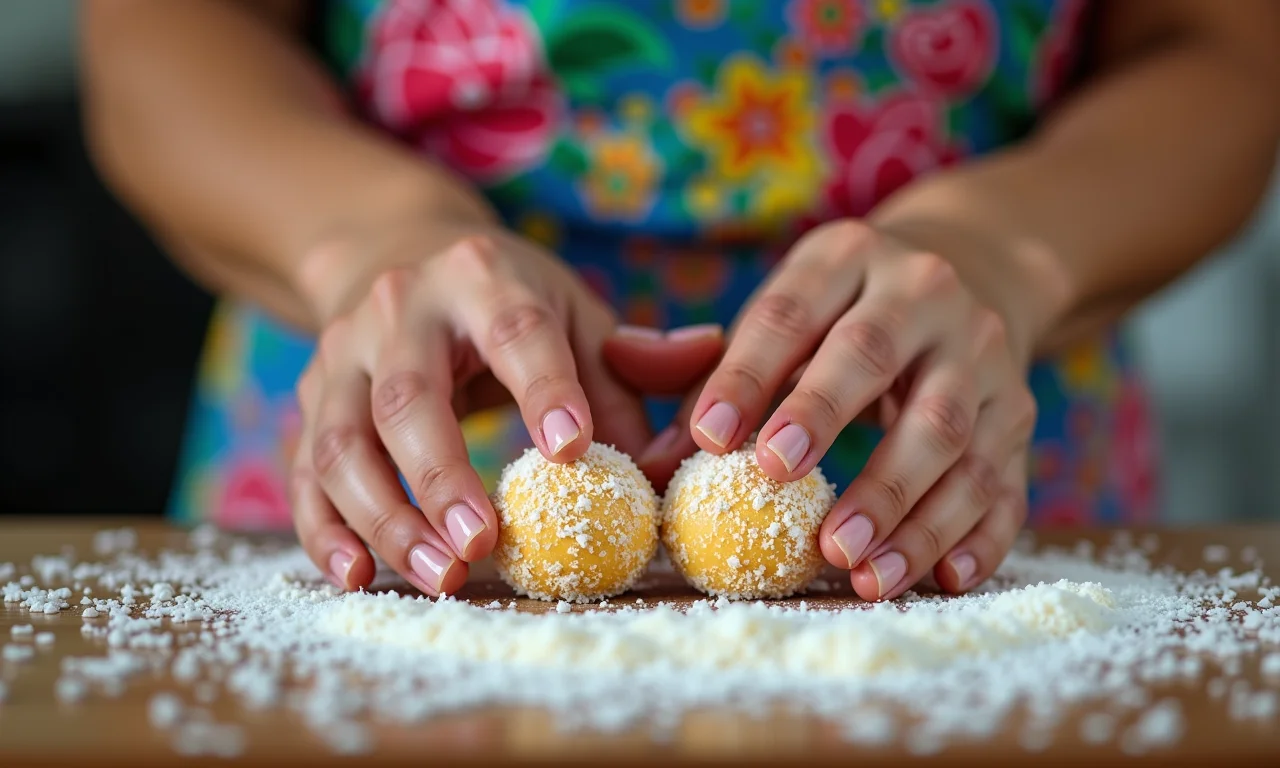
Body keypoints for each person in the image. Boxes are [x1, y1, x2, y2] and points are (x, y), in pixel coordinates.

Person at [81, 0, 1280, 602]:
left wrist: (1001, 253)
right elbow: (158, 34)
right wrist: (370, 239)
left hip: (951, 457)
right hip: (399, 448)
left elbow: (1219, 51)